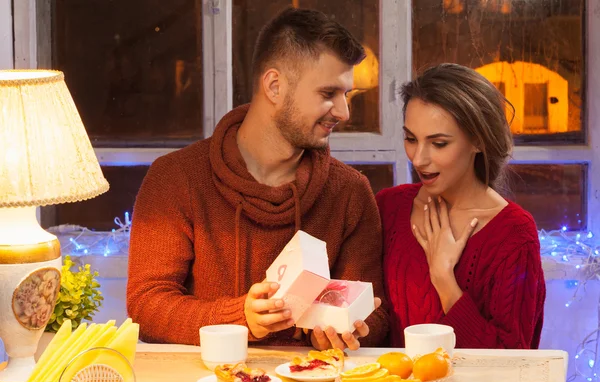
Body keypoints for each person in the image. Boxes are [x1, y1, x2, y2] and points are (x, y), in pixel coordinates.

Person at [127, 7, 389, 350]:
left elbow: (377, 316)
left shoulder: (351, 192)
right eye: (328, 94)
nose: (344, 112)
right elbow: (146, 306)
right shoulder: (175, 178)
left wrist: (349, 329)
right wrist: (242, 319)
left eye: (346, 95)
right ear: (274, 86)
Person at [376, 63, 546, 349]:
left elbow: (511, 359)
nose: (418, 159)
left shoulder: (514, 234)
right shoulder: (388, 207)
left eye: (439, 143)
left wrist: (444, 280)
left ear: (478, 141)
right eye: (410, 139)